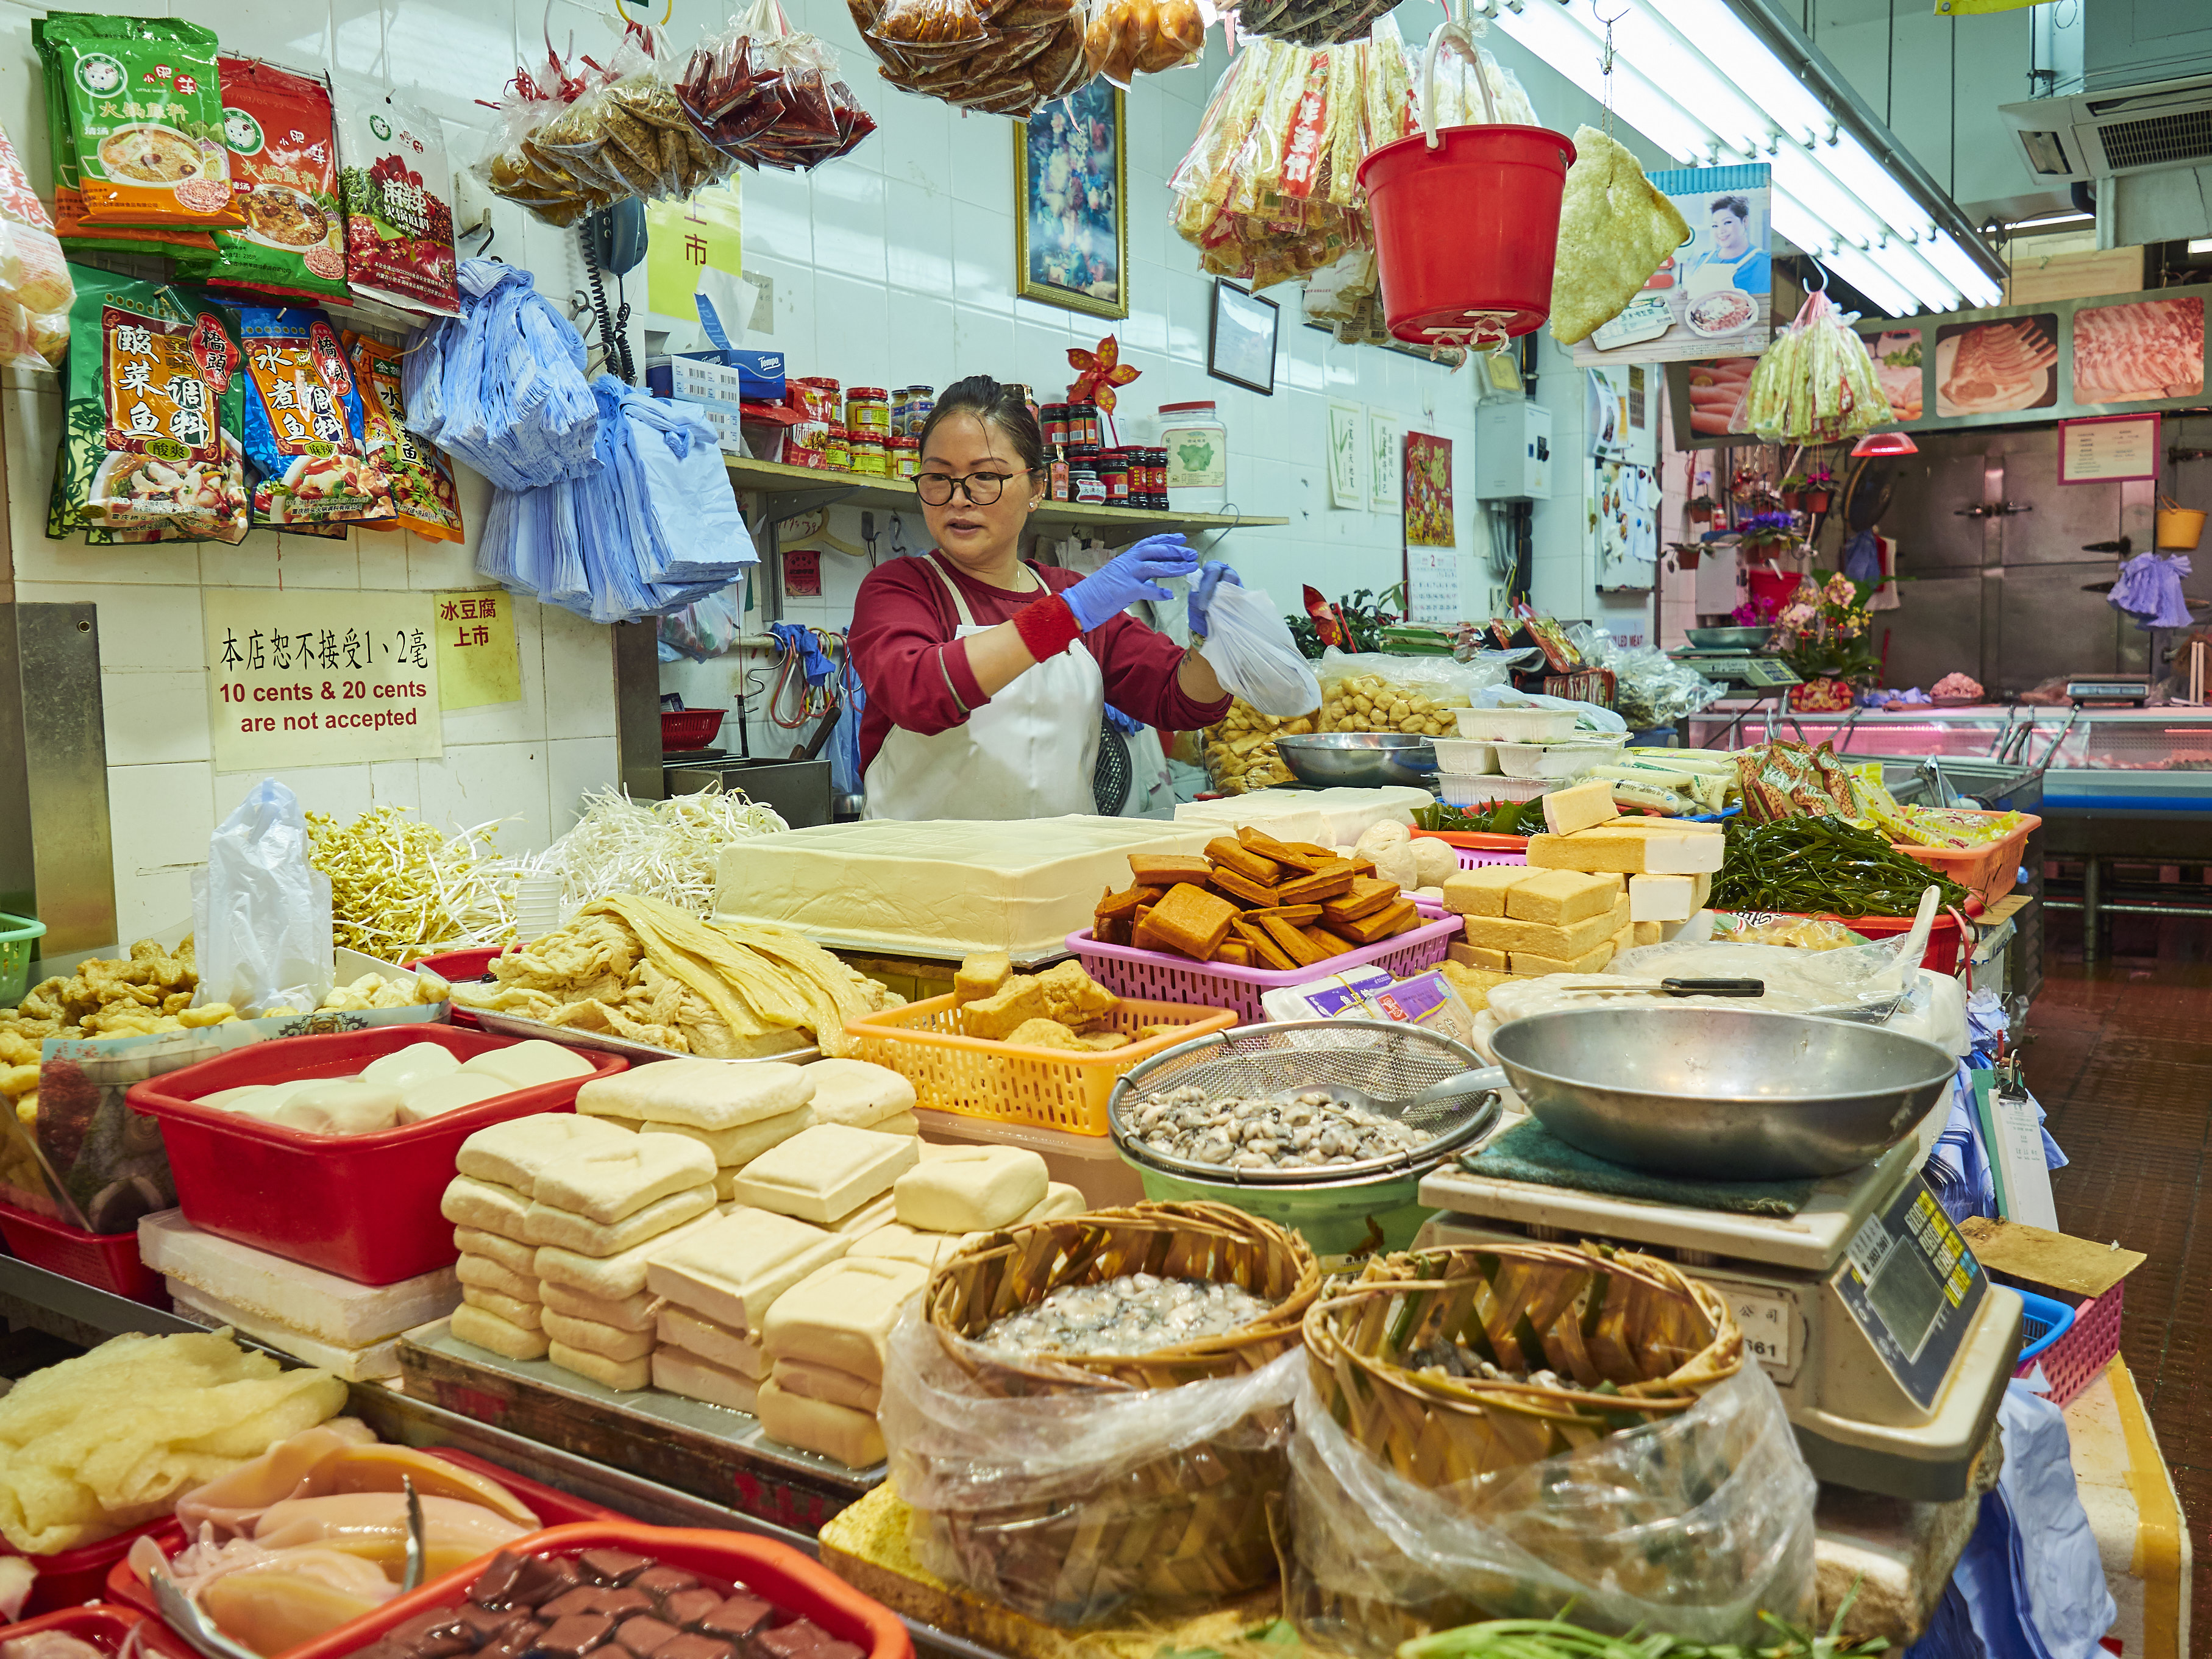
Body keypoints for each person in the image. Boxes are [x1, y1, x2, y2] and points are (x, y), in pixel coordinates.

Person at [848, 375, 1240, 821]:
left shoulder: (1071, 593)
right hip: (920, 876)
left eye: (985, 477)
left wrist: (1213, 642)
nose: (959, 499)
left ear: (1036, 488)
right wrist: (1069, 615)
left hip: (1053, 872)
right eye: (939, 478)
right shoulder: (900, 589)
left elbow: (1182, 701)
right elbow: (919, 693)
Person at [1683, 194, 1771, 297]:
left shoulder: (1763, 261)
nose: (1721, 231)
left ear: (1745, 222)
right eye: (1715, 226)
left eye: (1727, 222)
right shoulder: (1705, 258)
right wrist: (1683, 298)